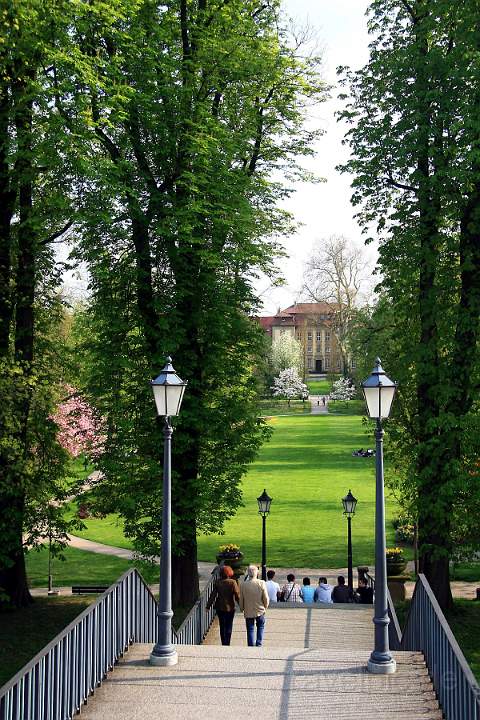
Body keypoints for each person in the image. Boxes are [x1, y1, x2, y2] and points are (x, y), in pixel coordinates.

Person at [206, 565, 240, 646]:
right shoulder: (232, 582)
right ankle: (227, 642)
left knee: (222, 625)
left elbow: (213, 595)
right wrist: (241, 606)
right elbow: (237, 595)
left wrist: (208, 606)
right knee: (229, 625)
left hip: (220, 607)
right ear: (230, 573)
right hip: (230, 607)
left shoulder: (218, 582)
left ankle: (223, 642)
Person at [239, 565, 269, 647]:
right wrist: (265, 606)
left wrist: (241, 608)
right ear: (257, 573)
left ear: (248, 573)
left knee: (250, 629)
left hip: (248, 610)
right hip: (260, 609)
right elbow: (265, 597)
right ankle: (259, 643)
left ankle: (251, 644)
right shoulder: (261, 583)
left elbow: (241, 599)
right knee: (260, 626)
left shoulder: (243, 585)